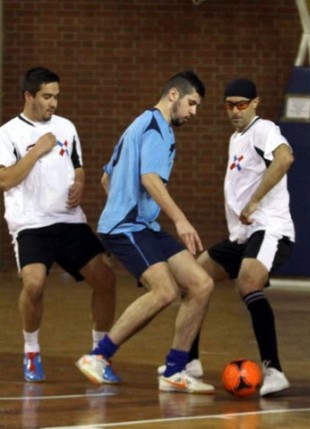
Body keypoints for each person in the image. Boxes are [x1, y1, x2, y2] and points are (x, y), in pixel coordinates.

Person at [75, 70, 215, 394]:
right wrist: (180, 220)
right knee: (165, 291)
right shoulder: (156, 128)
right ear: (173, 95)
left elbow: (106, 178)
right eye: (192, 103)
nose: (194, 112)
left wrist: (121, 205)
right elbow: (149, 179)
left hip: (141, 225)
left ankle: (175, 370)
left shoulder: (140, 124)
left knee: (201, 284)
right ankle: (98, 356)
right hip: (128, 227)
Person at [158, 78, 295, 396]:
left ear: (255, 104)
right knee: (194, 280)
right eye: (229, 105)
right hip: (242, 236)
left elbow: (285, 158)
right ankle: (189, 361)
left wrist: (255, 200)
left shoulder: (263, 129)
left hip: (270, 228)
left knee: (248, 283)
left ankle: (274, 370)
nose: (235, 111)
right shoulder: (237, 138)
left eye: (241, 105)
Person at [0, 67, 116, 382]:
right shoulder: (8, 133)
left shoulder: (66, 127)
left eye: (56, 97)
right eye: (47, 96)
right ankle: (31, 351)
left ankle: (99, 355)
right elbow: (5, 179)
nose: (53, 103)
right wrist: (37, 150)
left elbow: (78, 166)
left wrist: (80, 182)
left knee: (105, 277)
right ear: (29, 96)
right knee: (34, 285)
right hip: (30, 224)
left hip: (68, 221)